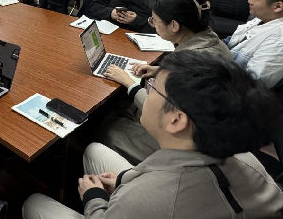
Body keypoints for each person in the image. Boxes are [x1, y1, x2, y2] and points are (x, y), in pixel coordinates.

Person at [23, 51, 283, 219]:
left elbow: (153, 198)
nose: (146, 91)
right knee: (95, 151)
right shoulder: (245, 156)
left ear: (176, 120)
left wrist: (94, 199)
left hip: (151, 201)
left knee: (34, 204)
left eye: (152, 88)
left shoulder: (151, 198)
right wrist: (125, 179)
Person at [97, 0, 232, 164]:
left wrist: (129, 83)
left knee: (106, 128)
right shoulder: (210, 39)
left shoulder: (187, 62)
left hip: (187, 144)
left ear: (174, 25)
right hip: (210, 130)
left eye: (154, 20)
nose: (152, 24)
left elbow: (164, 112)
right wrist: (159, 70)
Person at [225, 0, 283, 89]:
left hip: (234, 91)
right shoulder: (262, 19)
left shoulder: (278, 40)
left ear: (277, 7)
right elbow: (231, 42)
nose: (249, 1)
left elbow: (252, 85)